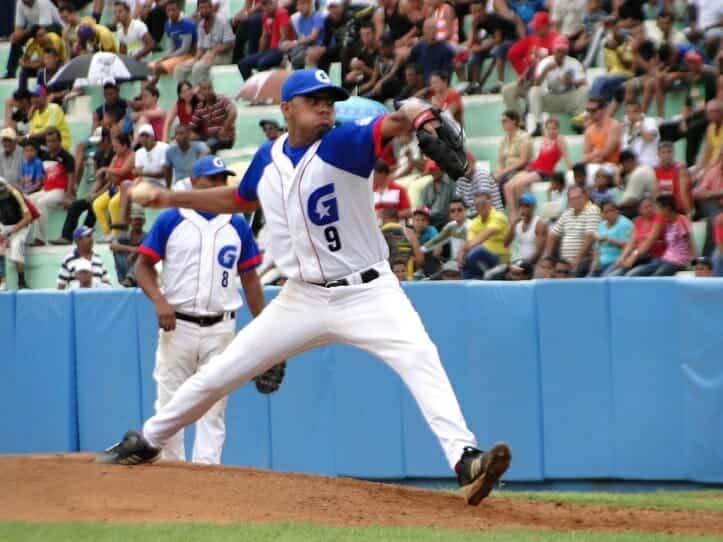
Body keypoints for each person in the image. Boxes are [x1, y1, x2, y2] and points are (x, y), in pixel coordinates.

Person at [97, 69, 511, 506]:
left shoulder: (343, 143)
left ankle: (464, 458)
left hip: (369, 292)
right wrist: (170, 198)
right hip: (303, 297)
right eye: (314, 99)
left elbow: (396, 120)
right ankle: (148, 439)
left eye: (329, 99)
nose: (325, 106)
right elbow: (239, 199)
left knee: (420, 357)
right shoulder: (268, 157)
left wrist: (423, 114)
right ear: (286, 109)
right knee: (221, 371)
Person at [135, 155, 268, 462]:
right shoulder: (172, 218)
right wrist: (159, 300)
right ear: (195, 183)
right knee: (170, 404)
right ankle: (173, 475)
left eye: (222, 180)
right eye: (212, 179)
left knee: (215, 404)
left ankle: (207, 476)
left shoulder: (237, 224)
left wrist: (263, 324)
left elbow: (249, 279)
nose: (218, 185)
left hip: (221, 327)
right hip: (177, 324)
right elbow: (142, 266)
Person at [52, 127, 114, 245]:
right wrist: (91, 193)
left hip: (111, 190)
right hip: (100, 191)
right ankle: (66, 236)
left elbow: (111, 181)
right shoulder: (98, 155)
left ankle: (84, 235)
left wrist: (96, 195)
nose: (97, 145)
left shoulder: (114, 154)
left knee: (93, 205)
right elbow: (98, 179)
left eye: (99, 142)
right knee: (76, 205)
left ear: (106, 139)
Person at [503, 117, 571, 221]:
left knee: (517, 184)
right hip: (533, 167)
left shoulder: (560, 140)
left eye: (554, 129)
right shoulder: (545, 138)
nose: (551, 131)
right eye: (549, 129)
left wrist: (571, 172)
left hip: (545, 172)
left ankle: (518, 216)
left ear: (558, 129)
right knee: (507, 186)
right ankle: (514, 214)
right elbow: (541, 157)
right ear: (545, 129)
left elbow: (566, 158)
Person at [519, 36, 588, 137]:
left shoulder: (573, 63)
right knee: (533, 91)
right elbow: (536, 84)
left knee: (584, 90)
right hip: (550, 99)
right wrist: (545, 71)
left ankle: (579, 123)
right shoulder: (545, 63)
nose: (561, 53)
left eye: (563, 50)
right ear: (554, 50)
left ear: (567, 51)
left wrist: (571, 82)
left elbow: (584, 83)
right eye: (558, 50)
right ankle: (538, 125)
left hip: (568, 99)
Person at [627, 194, 696, 277]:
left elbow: (691, 244)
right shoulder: (667, 222)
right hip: (665, 258)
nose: (655, 211)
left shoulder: (681, 220)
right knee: (640, 272)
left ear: (666, 209)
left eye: (658, 208)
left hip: (679, 261)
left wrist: (695, 263)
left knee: (656, 277)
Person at [28, 128, 76, 245]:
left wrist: (68, 196)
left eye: (53, 141)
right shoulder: (44, 156)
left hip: (60, 191)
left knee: (41, 203)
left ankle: (39, 239)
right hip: (46, 189)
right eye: (48, 141)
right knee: (27, 201)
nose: (51, 144)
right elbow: (44, 177)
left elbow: (71, 177)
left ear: (59, 141)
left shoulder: (67, 157)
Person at [544, 185, 600, 277]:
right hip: (565, 261)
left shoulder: (592, 210)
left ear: (585, 196)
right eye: (573, 199)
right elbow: (552, 235)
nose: (576, 201)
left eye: (579, 197)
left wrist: (578, 259)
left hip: (584, 258)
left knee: (570, 273)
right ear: (569, 201)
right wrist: (548, 259)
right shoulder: (567, 213)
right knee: (547, 273)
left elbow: (590, 237)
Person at [175, 0, 234, 85]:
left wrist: (214, 51)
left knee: (198, 67)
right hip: (206, 55)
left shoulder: (222, 20)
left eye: (206, 7)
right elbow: (201, 48)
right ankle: (184, 95)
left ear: (211, 8)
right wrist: (196, 58)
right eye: (201, 8)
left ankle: (199, 96)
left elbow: (230, 43)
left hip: (223, 56)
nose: (204, 10)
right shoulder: (201, 24)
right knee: (180, 68)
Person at [606, 197, 665, 277]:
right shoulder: (638, 221)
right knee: (611, 273)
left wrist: (633, 257)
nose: (649, 209)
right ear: (640, 210)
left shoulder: (658, 219)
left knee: (631, 275)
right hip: (640, 257)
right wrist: (622, 257)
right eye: (645, 207)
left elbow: (649, 241)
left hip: (655, 257)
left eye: (650, 206)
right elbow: (631, 242)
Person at [5, 0, 63, 80]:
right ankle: (11, 71)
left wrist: (24, 32)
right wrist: (16, 35)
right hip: (34, 30)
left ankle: (48, 61)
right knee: (16, 39)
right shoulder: (20, 3)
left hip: (52, 28)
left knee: (45, 33)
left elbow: (43, 26)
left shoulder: (43, 2)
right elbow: (18, 27)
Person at [458, 191, 510, 279]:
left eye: (483, 203)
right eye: (477, 204)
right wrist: (461, 254)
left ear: (490, 203)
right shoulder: (475, 222)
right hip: (482, 261)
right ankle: (468, 284)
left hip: (500, 260)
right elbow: (469, 243)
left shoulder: (498, 217)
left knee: (478, 250)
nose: (480, 207)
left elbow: (482, 237)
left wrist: (463, 250)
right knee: (461, 263)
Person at [237, 0, 291, 80]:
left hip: (280, 50)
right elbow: (264, 37)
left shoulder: (281, 13)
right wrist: (260, 54)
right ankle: (252, 85)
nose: (264, 7)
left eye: (266, 3)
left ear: (274, 3)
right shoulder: (266, 16)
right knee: (243, 63)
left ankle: (265, 87)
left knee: (262, 63)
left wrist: (283, 56)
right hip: (271, 51)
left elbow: (284, 38)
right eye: (262, 4)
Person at [148, 0, 197, 84]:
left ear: (179, 10)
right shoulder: (168, 25)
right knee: (149, 66)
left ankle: (151, 85)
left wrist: (169, 57)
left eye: (173, 10)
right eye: (168, 10)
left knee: (159, 67)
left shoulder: (187, 24)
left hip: (189, 54)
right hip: (177, 54)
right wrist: (166, 56)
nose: (171, 13)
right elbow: (171, 46)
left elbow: (185, 49)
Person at [0, 177, 35, 289]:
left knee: (16, 247)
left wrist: (10, 232)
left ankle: (21, 281)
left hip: (21, 225)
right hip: (4, 226)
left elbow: (28, 218)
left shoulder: (15, 194)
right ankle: (2, 281)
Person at [189, 80, 237, 153]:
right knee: (186, 142)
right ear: (200, 92)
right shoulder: (199, 107)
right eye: (204, 89)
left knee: (206, 146)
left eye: (209, 88)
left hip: (224, 138)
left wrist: (224, 128)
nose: (208, 91)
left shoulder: (221, 99)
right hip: (209, 137)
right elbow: (191, 125)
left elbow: (233, 112)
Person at [495, 109, 531, 202]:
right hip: (507, 171)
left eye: (505, 121)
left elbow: (523, 160)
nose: (502, 124)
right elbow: (500, 160)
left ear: (513, 121)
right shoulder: (503, 140)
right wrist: (499, 171)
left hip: (520, 169)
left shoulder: (524, 137)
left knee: (507, 180)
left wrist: (504, 171)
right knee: (491, 180)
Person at [589, 201, 633, 276]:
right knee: (589, 279)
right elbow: (597, 248)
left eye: (611, 210)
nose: (608, 213)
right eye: (605, 212)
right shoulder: (601, 225)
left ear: (617, 211)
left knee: (604, 278)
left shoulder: (625, 224)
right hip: (601, 262)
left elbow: (629, 246)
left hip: (617, 262)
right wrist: (595, 262)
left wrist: (609, 240)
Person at [27, 85, 72, 151]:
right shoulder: (35, 113)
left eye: (37, 96)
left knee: (29, 142)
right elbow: (32, 133)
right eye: (32, 97)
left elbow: (48, 131)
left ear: (45, 97)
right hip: (42, 145)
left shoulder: (54, 108)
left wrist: (26, 137)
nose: (34, 100)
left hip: (60, 146)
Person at [654, 140, 692, 215]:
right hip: (664, 209)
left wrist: (689, 214)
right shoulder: (655, 170)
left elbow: (683, 194)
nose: (667, 155)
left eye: (669, 152)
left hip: (678, 209)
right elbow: (657, 194)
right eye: (663, 152)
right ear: (658, 154)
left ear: (673, 153)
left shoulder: (680, 169)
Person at [617, 148, 656, 218]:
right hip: (648, 204)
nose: (622, 168)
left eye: (623, 165)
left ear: (628, 162)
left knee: (620, 214)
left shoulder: (639, 173)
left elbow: (631, 200)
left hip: (652, 207)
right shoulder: (643, 168)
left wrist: (616, 206)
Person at [285, 0, 324, 69]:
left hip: (321, 46)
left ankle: (311, 78)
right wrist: (291, 45)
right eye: (298, 5)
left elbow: (313, 37)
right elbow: (302, 37)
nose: (299, 7)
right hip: (308, 46)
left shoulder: (317, 16)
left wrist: (295, 43)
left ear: (310, 4)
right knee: (290, 52)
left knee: (300, 56)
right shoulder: (300, 19)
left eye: (302, 4)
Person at [420, 160, 455, 229]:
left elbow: (456, 202)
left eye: (435, 169)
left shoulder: (451, 183)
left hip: (446, 219)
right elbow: (423, 206)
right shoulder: (427, 186)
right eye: (431, 170)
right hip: (430, 220)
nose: (433, 172)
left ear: (442, 170)